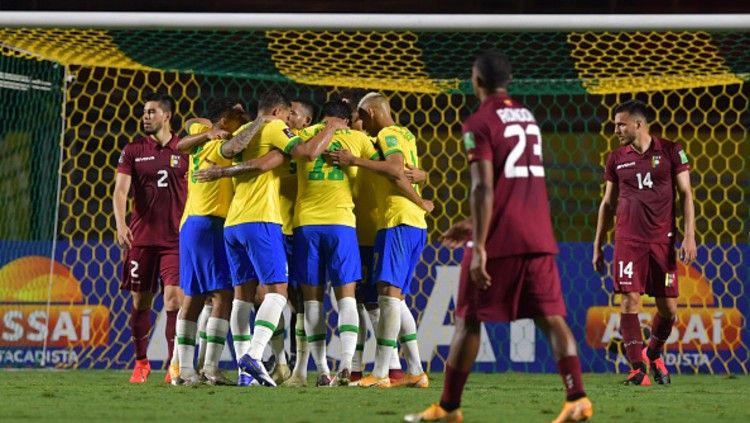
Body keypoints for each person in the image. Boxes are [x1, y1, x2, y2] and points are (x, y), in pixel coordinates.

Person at [404, 50, 592, 422]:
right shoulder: (527, 117)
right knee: (551, 318)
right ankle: (577, 398)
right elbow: (515, 184)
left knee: (469, 319)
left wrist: (482, 244)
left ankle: (448, 408)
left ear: (476, 80)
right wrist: (473, 224)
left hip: (500, 240)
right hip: (537, 234)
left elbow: (484, 189)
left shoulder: (480, 122)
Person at [193, 90, 345, 387]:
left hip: (234, 223)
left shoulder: (245, 133)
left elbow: (262, 162)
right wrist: (331, 127)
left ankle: (244, 373)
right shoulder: (275, 128)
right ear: (278, 112)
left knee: (243, 297)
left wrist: (225, 173)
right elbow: (308, 154)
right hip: (263, 220)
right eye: (288, 115)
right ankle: (253, 355)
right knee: (278, 292)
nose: (290, 120)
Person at [329, 92, 432, 389]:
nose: (360, 122)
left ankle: (384, 372)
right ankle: (413, 370)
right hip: (408, 222)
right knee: (394, 298)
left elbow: (397, 169)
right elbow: (408, 170)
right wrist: (421, 181)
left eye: (361, 115)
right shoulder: (404, 133)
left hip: (396, 220)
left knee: (386, 297)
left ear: (372, 112)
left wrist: (353, 160)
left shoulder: (385, 134)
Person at [592, 99, 696, 386]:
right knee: (629, 301)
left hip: (662, 242)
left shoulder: (672, 151)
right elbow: (607, 204)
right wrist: (597, 244)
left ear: (638, 124)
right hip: (627, 240)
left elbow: (686, 194)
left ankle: (653, 351)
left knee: (669, 310)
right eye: (614, 125)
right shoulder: (616, 158)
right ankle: (638, 369)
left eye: (620, 124)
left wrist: (690, 235)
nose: (615, 130)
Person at [169, 98, 252, 385]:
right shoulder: (218, 145)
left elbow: (187, 133)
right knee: (223, 295)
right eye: (238, 116)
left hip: (193, 223)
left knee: (194, 297)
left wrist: (206, 130)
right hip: (209, 223)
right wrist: (262, 123)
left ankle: (185, 370)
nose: (243, 120)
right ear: (225, 122)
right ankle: (210, 368)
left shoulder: (201, 142)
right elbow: (235, 144)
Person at [113, 92, 187, 384]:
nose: (146, 116)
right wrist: (121, 224)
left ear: (167, 116)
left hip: (175, 241)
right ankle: (141, 362)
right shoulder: (132, 150)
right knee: (141, 302)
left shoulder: (184, 149)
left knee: (173, 301)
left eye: (152, 112)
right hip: (141, 240)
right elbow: (120, 191)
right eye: (144, 112)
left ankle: (173, 366)